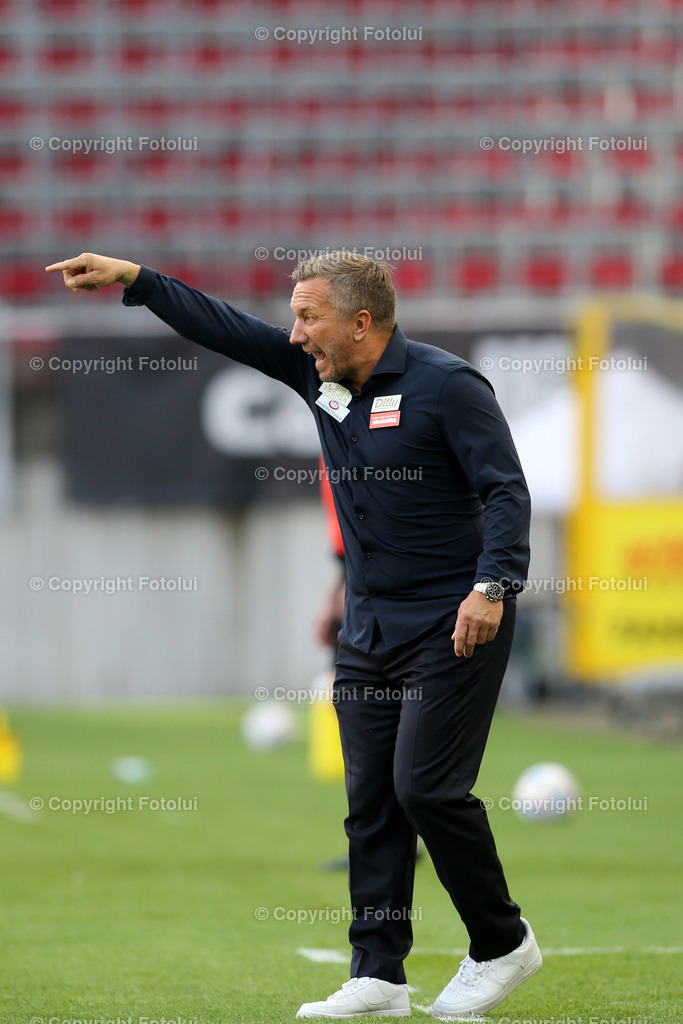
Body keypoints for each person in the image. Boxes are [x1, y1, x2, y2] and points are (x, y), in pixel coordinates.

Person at [45, 250, 542, 1020]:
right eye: (294, 315)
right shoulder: (319, 376)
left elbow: (505, 490)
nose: (295, 332)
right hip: (367, 624)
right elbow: (225, 329)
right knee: (370, 802)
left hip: (451, 620)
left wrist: (492, 587)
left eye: (308, 316)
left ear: (360, 322)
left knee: (425, 789)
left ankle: (501, 942)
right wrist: (137, 280)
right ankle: (378, 973)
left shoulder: (447, 386)